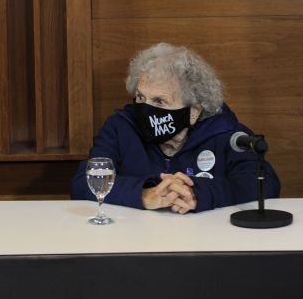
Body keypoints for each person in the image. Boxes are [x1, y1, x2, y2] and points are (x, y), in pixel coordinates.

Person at [70, 42, 279, 213]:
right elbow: (83, 183)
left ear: (194, 111)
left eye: (159, 101)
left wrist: (198, 194)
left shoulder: (227, 134)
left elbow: (265, 185)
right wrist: (143, 194)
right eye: (141, 97)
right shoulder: (120, 127)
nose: (145, 110)